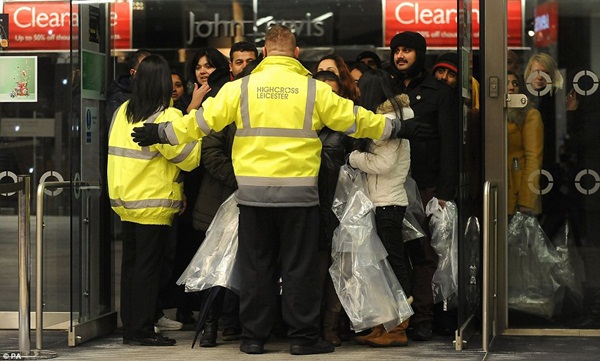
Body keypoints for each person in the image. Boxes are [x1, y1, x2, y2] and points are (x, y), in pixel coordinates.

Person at [131, 24, 428, 355]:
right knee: (299, 269)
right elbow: (355, 119)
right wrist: (397, 126)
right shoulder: (314, 90)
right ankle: (303, 338)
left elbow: (201, 122)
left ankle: (254, 338)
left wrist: (162, 133)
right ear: (297, 53)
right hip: (299, 196)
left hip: (253, 196)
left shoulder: (239, 89)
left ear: (264, 52)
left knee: (257, 267)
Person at [107, 54, 201, 346]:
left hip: (126, 201)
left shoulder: (123, 110)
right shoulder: (167, 116)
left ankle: (131, 327)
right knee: (149, 270)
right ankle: (143, 330)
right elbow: (189, 159)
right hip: (152, 202)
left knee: (132, 267)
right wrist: (193, 127)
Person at [387, 31, 459, 341]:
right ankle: (391, 318)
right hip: (388, 181)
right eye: (396, 50)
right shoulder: (386, 87)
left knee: (424, 253)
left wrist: (444, 192)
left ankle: (423, 316)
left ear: (420, 53)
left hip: (425, 183)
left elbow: (450, 143)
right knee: (392, 252)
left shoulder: (439, 91)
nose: (400, 56)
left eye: (407, 51)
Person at [192, 41, 258, 347]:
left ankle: (241, 326)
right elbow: (210, 150)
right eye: (238, 62)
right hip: (221, 196)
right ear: (229, 67)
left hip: (257, 199)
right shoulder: (222, 99)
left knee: (252, 266)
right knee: (215, 267)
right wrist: (238, 179)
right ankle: (210, 326)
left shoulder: (265, 100)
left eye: (249, 61)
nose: (244, 67)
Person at [349, 69, 414, 347]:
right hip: (383, 199)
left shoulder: (389, 122)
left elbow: (383, 164)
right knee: (385, 265)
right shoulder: (390, 119)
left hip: (387, 201)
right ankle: (385, 324)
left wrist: (353, 157)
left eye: (361, 88)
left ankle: (398, 327)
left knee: (393, 263)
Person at [312, 70, 353, 347]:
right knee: (310, 272)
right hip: (307, 205)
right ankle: (309, 326)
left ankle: (330, 327)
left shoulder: (346, 128)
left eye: (333, 93)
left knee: (338, 271)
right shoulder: (301, 126)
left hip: (338, 206)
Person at [506, 71, 544, 216]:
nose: (511, 87)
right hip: (496, 189)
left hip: (517, 189)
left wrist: (526, 200)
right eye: (506, 83)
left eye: (515, 84)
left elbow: (533, 158)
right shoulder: (490, 114)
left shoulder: (529, 114)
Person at [106, 49, 150, 121]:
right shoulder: (118, 97)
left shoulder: (157, 94)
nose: (149, 74)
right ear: (133, 72)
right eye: (144, 70)